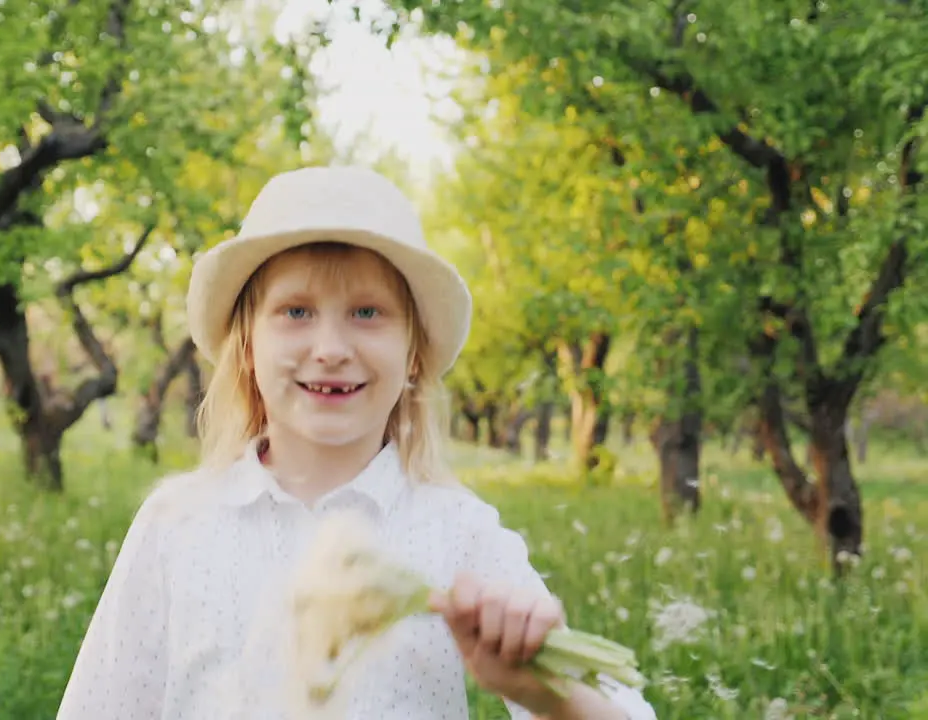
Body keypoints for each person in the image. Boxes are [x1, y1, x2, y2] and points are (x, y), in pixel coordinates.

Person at [56, 166, 656, 719]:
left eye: (368, 313)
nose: (332, 348)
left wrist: (541, 690)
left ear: (414, 354)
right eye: (296, 311)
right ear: (246, 347)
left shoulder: (457, 534)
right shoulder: (177, 524)